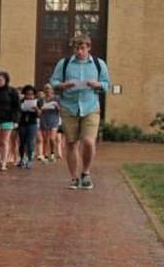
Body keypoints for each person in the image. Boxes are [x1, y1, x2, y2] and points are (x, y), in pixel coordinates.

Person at [50, 33, 110, 190]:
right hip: (69, 107)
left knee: (89, 142)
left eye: (82, 48)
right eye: (76, 48)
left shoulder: (98, 64)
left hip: (90, 106)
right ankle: (74, 177)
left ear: (88, 47)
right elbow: (54, 82)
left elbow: (106, 84)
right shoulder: (64, 64)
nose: (79, 51)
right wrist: (63, 85)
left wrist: (97, 84)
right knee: (71, 143)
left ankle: (86, 172)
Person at [16, 84, 41, 168]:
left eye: (31, 94)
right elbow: (17, 111)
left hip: (32, 123)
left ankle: (30, 159)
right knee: (22, 141)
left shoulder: (37, 102)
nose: (29, 96)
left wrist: (36, 109)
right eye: (27, 94)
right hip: (22, 123)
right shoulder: (21, 101)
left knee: (30, 141)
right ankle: (22, 158)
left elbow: (40, 114)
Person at [39, 83, 62, 162]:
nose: (47, 90)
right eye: (46, 89)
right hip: (44, 119)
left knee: (52, 138)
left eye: (49, 88)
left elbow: (61, 110)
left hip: (54, 119)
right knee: (45, 139)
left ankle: (52, 153)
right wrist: (40, 109)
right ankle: (44, 154)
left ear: (52, 90)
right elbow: (39, 111)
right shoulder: (41, 99)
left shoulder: (56, 98)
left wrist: (57, 107)